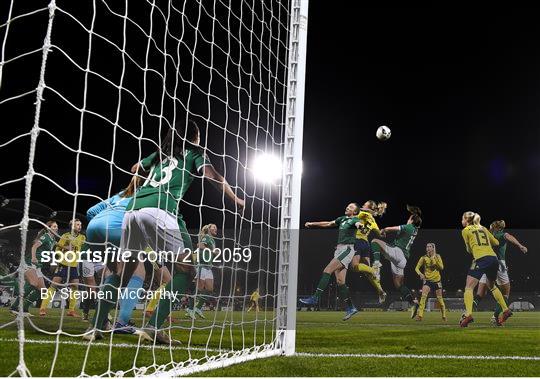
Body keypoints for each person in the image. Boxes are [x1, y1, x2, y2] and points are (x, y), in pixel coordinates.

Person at [86, 119, 244, 344]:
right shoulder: (194, 152)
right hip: (160, 211)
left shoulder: (162, 154)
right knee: (187, 271)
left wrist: (153, 167)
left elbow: (134, 168)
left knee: (123, 273)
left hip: (133, 211)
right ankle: (153, 328)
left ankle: (95, 327)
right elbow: (213, 176)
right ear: (194, 137)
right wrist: (236, 198)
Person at [300, 203, 361, 321]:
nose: (348, 207)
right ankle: (351, 308)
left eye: (351, 207)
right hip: (339, 250)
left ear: (355, 212)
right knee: (340, 282)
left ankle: (315, 297)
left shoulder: (355, 220)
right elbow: (328, 223)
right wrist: (312, 224)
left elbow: (359, 224)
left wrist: (361, 226)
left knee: (327, 270)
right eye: (348, 206)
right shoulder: (342, 219)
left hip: (347, 249)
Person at [460, 211, 512, 327]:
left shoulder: (465, 231)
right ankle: (505, 309)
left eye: (462, 219)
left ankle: (468, 314)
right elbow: (496, 242)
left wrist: (475, 248)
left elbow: (469, 250)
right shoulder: (483, 228)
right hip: (493, 259)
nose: (461, 221)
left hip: (480, 259)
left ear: (467, 220)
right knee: (492, 286)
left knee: (469, 287)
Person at [371, 205, 422, 318]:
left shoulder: (409, 227)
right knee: (399, 285)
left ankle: (376, 265)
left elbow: (390, 228)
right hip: (402, 259)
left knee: (375, 241)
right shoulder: (415, 230)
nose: (407, 220)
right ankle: (413, 303)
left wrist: (384, 230)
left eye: (409, 218)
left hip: (397, 252)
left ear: (412, 220)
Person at [475, 219, 526, 325]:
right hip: (499, 264)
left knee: (480, 293)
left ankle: (467, 313)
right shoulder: (500, 234)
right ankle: (496, 316)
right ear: (499, 228)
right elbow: (508, 236)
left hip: (486, 262)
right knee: (505, 293)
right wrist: (520, 245)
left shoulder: (486, 236)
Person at [10, 221, 58, 317]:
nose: (56, 228)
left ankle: (25, 308)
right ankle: (14, 307)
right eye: (54, 226)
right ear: (48, 228)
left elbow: (57, 246)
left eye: (57, 226)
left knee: (43, 290)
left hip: (38, 266)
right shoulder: (45, 237)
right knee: (33, 283)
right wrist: (33, 257)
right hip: (30, 263)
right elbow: (34, 247)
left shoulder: (53, 240)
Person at [40, 219, 85, 317]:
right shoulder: (65, 236)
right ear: (72, 226)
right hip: (63, 265)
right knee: (53, 286)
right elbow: (57, 249)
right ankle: (43, 308)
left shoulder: (82, 237)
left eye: (80, 225)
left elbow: (82, 249)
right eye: (77, 225)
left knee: (75, 287)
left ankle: (71, 310)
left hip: (73, 266)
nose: (79, 226)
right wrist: (65, 249)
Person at [350, 200, 387, 303]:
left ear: (368, 207)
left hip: (357, 241)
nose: (362, 205)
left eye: (364, 204)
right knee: (367, 273)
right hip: (366, 244)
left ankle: (374, 271)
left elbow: (354, 213)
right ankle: (381, 291)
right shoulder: (373, 220)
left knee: (355, 267)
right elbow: (380, 234)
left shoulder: (363, 214)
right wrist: (383, 233)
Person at [186, 224, 217, 319]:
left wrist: (214, 254)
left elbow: (208, 253)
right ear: (208, 229)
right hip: (201, 266)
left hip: (208, 267)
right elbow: (199, 245)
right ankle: (190, 309)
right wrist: (212, 251)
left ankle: (198, 308)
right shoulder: (206, 237)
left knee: (209, 289)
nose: (215, 229)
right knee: (198, 289)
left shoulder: (212, 240)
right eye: (213, 227)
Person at [414, 243, 446, 321]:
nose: (428, 248)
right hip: (428, 281)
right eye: (427, 246)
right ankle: (420, 316)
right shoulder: (423, 258)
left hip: (437, 281)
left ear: (433, 248)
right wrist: (420, 274)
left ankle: (444, 316)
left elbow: (441, 267)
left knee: (440, 300)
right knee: (423, 298)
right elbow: (416, 268)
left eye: (430, 247)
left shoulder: (437, 256)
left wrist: (434, 259)